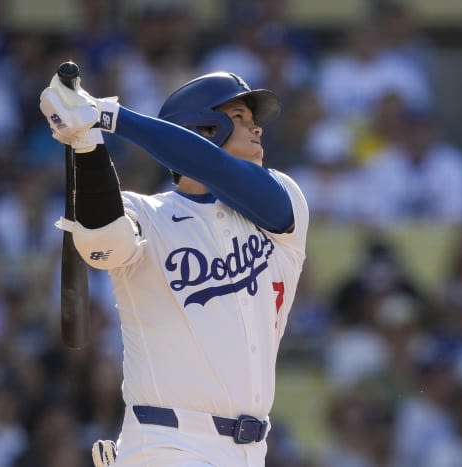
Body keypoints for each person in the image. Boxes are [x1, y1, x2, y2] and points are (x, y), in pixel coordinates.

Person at [39, 69, 309, 467]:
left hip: (252, 451)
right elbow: (104, 241)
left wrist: (107, 115)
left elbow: (216, 169)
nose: (257, 130)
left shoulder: (283, 196)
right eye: (240, 117)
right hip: (167, 444)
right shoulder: (147, 214)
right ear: (203, 128)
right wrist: (86, 142)